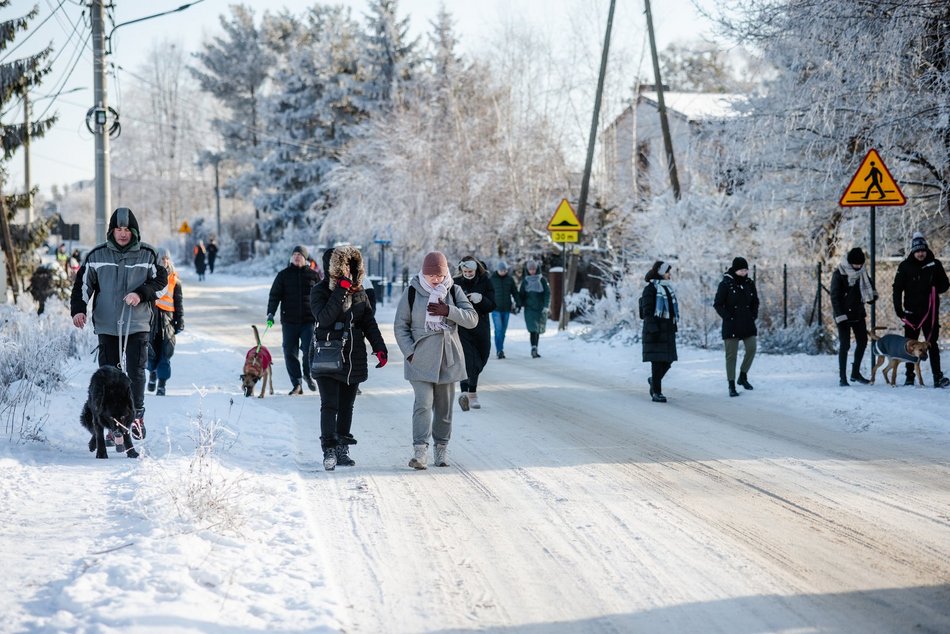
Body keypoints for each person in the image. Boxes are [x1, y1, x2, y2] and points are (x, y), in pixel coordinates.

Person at [70, 207, 168, 445]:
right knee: (110, 377)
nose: (123, 234)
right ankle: (114, 424)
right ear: (111, 231)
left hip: (137, 324)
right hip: (107, 325)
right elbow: (83, 284)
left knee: (135, 372)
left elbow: (162, 283)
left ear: (134, 231)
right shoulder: (97, 255)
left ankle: (136, 417)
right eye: (118, 229)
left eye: (127, 229)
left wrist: (141, 293)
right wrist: (79, 309)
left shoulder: (147, 254)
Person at [393, 251, 477, 469]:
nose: (436, 280)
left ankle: (441, 448)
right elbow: (400, 326)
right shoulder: (412, 291)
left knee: (444, 407)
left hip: (448, 357)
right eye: (432, 276)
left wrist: (448, 310)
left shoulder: (454, 290)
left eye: (440, 275)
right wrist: (410, 352)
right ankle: (420, 452)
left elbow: (472, 319)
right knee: (423, 403)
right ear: (424, 272)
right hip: (420, 358)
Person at [309, 246, 388, 470]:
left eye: (352, 268)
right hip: (328, 354)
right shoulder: (319, 291)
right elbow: (324, 318)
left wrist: (379, 347)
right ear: (332, 268)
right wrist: (339, 291)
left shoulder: (359, 291)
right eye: (344, 267)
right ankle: (329, 449)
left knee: (346, 406)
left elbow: (368, 322)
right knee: (330, 404)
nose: (348, 272)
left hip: (353, 357)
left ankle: (343, 447)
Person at [892, 232, 950, 387]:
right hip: (911, 313)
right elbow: (897, 288)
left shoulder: (935, 264)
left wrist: (936, 284)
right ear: (913, 251)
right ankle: (909, 376)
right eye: (917, 251)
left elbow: (945, 285)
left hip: (930, 313)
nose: (920, 253)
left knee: (932, 344)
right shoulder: (904, 266)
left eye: (923, 250)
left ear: (926, 250)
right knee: (910, 345)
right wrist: (898, 309)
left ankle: (937, 377)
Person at [267, 245, 320, 394]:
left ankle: (307, 375)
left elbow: (321, 297)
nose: (297, 257)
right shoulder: (283, 275)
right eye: (295, 254)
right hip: (289, 321)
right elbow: (274, 296)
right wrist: (271, 313)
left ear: (305, 258)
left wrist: (322, 316)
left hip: (308, 321)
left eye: (300, 255)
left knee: (309, 350)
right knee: (289, 352)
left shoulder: (313, 276)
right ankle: (296, 384)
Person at [454, 256, 496, 411]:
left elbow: (492, 304)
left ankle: (470, 392)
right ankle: (467, 393)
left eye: (470, 271)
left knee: (481, 358)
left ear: (476, 269)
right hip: (462, 326)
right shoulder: (456, 282)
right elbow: (448, 303)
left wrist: (481, 299)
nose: (468, 274)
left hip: (481, 325)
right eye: (465, 271)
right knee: (465, 358)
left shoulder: (485, 281)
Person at [714, 256, 760, 396]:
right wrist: (728, 317)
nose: (744, 273)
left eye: (746, 270)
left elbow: (755, 301)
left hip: (747, 323)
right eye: (741, 270)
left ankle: (743, 376)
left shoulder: (749, 283)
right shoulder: (726, 284)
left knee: (752, 348)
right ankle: (731, 384)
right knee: (731, 356)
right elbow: (718, 304)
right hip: (731, 324)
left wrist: (753, 315)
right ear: (735, 270)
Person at [830, 247, 877, 387]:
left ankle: (855, 372)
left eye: (860, 264)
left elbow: (870, 290)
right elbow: (835, 297)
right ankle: (842, 377)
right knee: (845, 345)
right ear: (849, 263)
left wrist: (872, 297)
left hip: (857, 313)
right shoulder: (839, 274)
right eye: (855, 264)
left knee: (862, 341)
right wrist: (840, 315)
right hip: (843, 315)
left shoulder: (862, 273)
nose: (858, 267)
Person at [640, 260, 678, 403]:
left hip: (667, 330)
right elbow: (647, 311)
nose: (669, 275)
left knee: (668, 361)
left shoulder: (667, 288)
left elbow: (672, 310)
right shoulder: (650, 289)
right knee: (657, 362)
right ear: (661, 273)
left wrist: (673, 325)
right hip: (655, 330)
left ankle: (653, 381)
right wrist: (653, 328)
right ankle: (657, 392)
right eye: (667, 272)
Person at [147, 250, 184, 396]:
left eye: (167, 258)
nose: (165, 261)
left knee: (166, 353)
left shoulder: (175, 280)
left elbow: (179, 302)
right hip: (151, 321)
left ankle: (162, 384)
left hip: (168, 322)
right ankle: (152, 374)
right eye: (162, 258)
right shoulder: (150, 276)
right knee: (151, 352)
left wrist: (179, 321)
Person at [518, 260, 550, 358]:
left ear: (537, 269)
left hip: (540, 309)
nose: (532, 271)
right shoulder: (525, 281)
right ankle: (533, 347)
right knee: (533, 329)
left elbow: (547, 293)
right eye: (530, 269)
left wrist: (546, 306)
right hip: (529, 309)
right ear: (527, 270)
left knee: (538, 329)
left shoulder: (542, 280)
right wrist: (519, 304)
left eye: (534, 269)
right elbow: (521, 294)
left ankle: (535, 348)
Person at [489, 260, 519, 359]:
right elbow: (487, 293)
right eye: (501, 270)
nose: (503, 272)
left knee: (503, 331)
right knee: (498, 330)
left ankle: (500, 348)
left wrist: (518, 303)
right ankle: (499, 350)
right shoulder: (492, 279)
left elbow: (515, 292)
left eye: (505, 270)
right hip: (496, 309)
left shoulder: (510, 280)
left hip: (506, 309)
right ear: (498, 270)